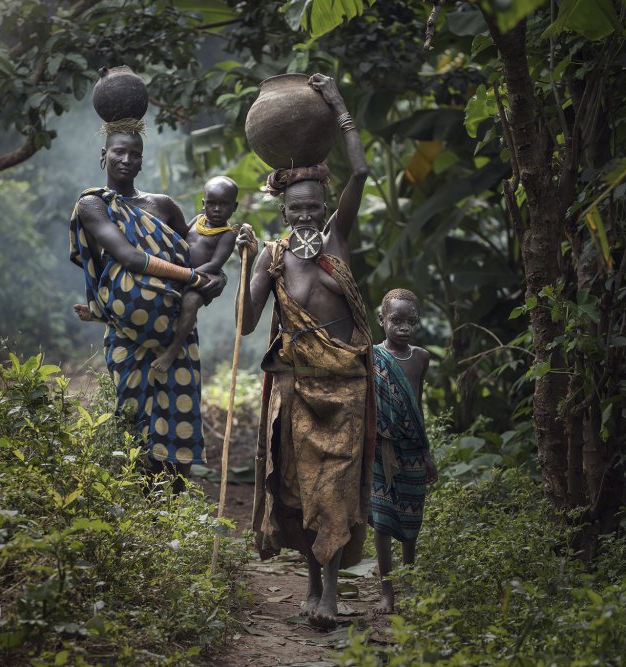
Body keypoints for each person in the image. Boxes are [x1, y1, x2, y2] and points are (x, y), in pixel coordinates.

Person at [235, 73, 373, 630]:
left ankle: (331, 596)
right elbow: (247, 324)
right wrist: (242, 263)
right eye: (297, 210)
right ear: (283, 212)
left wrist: (339, 103)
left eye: (314, 207)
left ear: (325, 205)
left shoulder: (338, 236)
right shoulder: (272, 258)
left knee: (336, 493)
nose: (308, 216)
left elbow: (360, 170)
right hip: (296, 393)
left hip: (345, 390)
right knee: (297, 494)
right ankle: (311, 590)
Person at [68, 120, 226, 490]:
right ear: (103, 156)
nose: (126, 159)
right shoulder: (93, 205)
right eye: (118, 152)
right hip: (127, 336)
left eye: (134, 154)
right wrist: (194, 279)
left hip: (177, 334)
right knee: (133, 417)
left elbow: (194, 253)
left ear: (142, 161)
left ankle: (172, 508)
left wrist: (220, 267)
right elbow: (130, 258)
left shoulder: (164, 206)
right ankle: (138, 506)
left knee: (180, 415)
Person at [78, 175, 240, 372]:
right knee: (140, 288)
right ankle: (103, 312)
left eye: (223, 205)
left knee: (189, 303)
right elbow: (177, 238)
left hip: (199, 280)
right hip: (181, 271)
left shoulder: (228, 234)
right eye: (212, 204)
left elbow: (215, 264)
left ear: (235, 207)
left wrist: (188, 276)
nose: (216, 209)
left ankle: (172, 350)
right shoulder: (199, 220)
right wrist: (173, 267)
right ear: (203, 203)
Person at [370, 288, 437, 614]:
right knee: (382, 522)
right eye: (396, 320)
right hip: (381, 450)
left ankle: (409, 582)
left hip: (412, 449)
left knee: (412, 521)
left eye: (411, 321)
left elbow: (417, 405)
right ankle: (387, 592)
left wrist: (426, 452)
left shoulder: (421, 358)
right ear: (381, 319)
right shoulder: (370, 356)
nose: (403, 327)